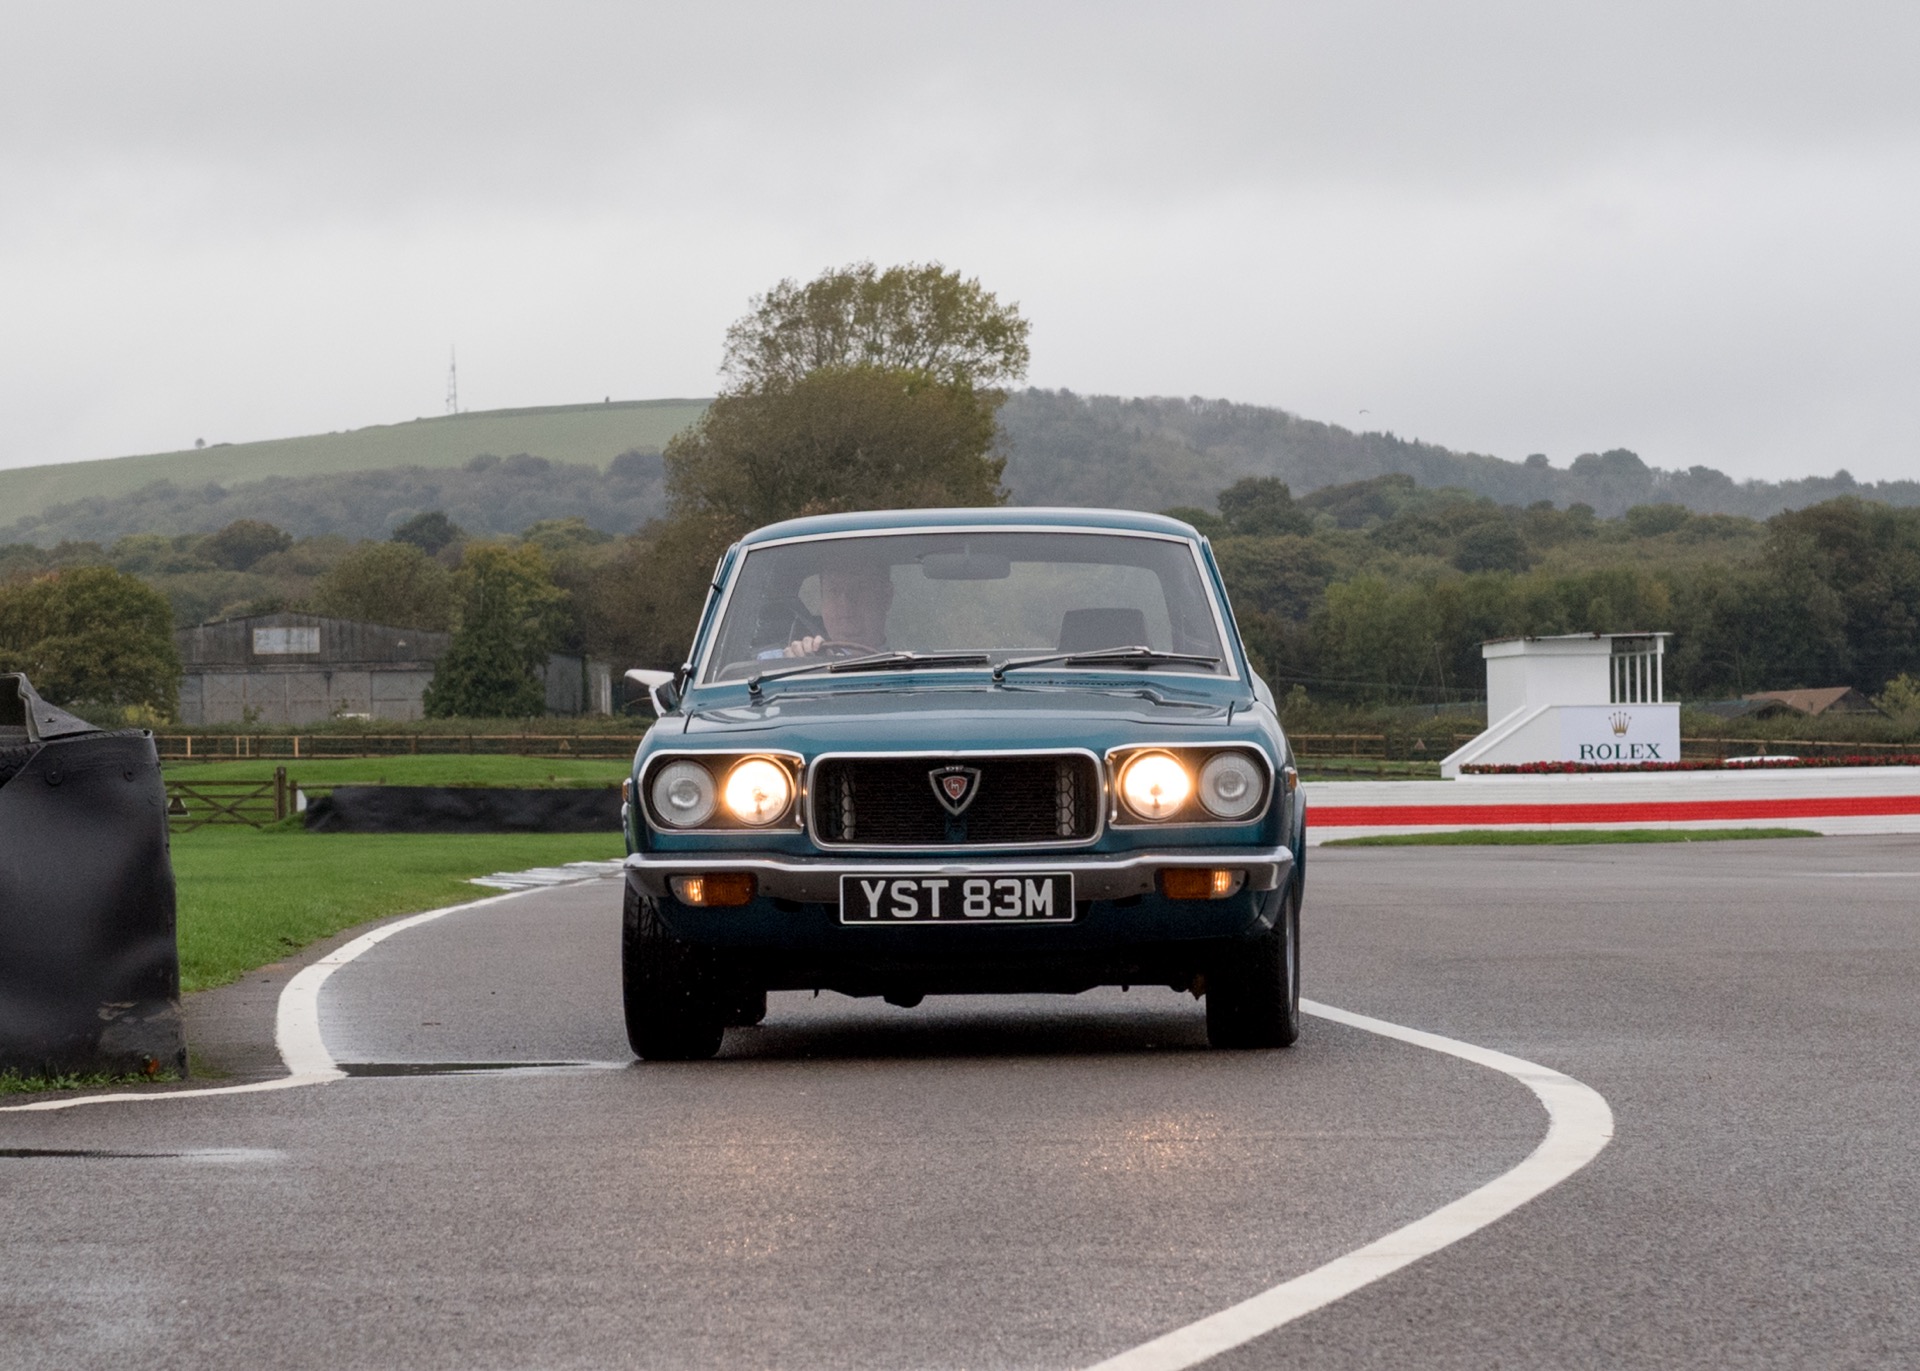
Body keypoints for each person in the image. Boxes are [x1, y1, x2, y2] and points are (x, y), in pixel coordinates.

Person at [785, 561, 894, 656]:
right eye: (834, 591)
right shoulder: (781, 665)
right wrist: (798, 665)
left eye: (859, 589)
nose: (845, 606)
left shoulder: (908, 667)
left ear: (886, 597)